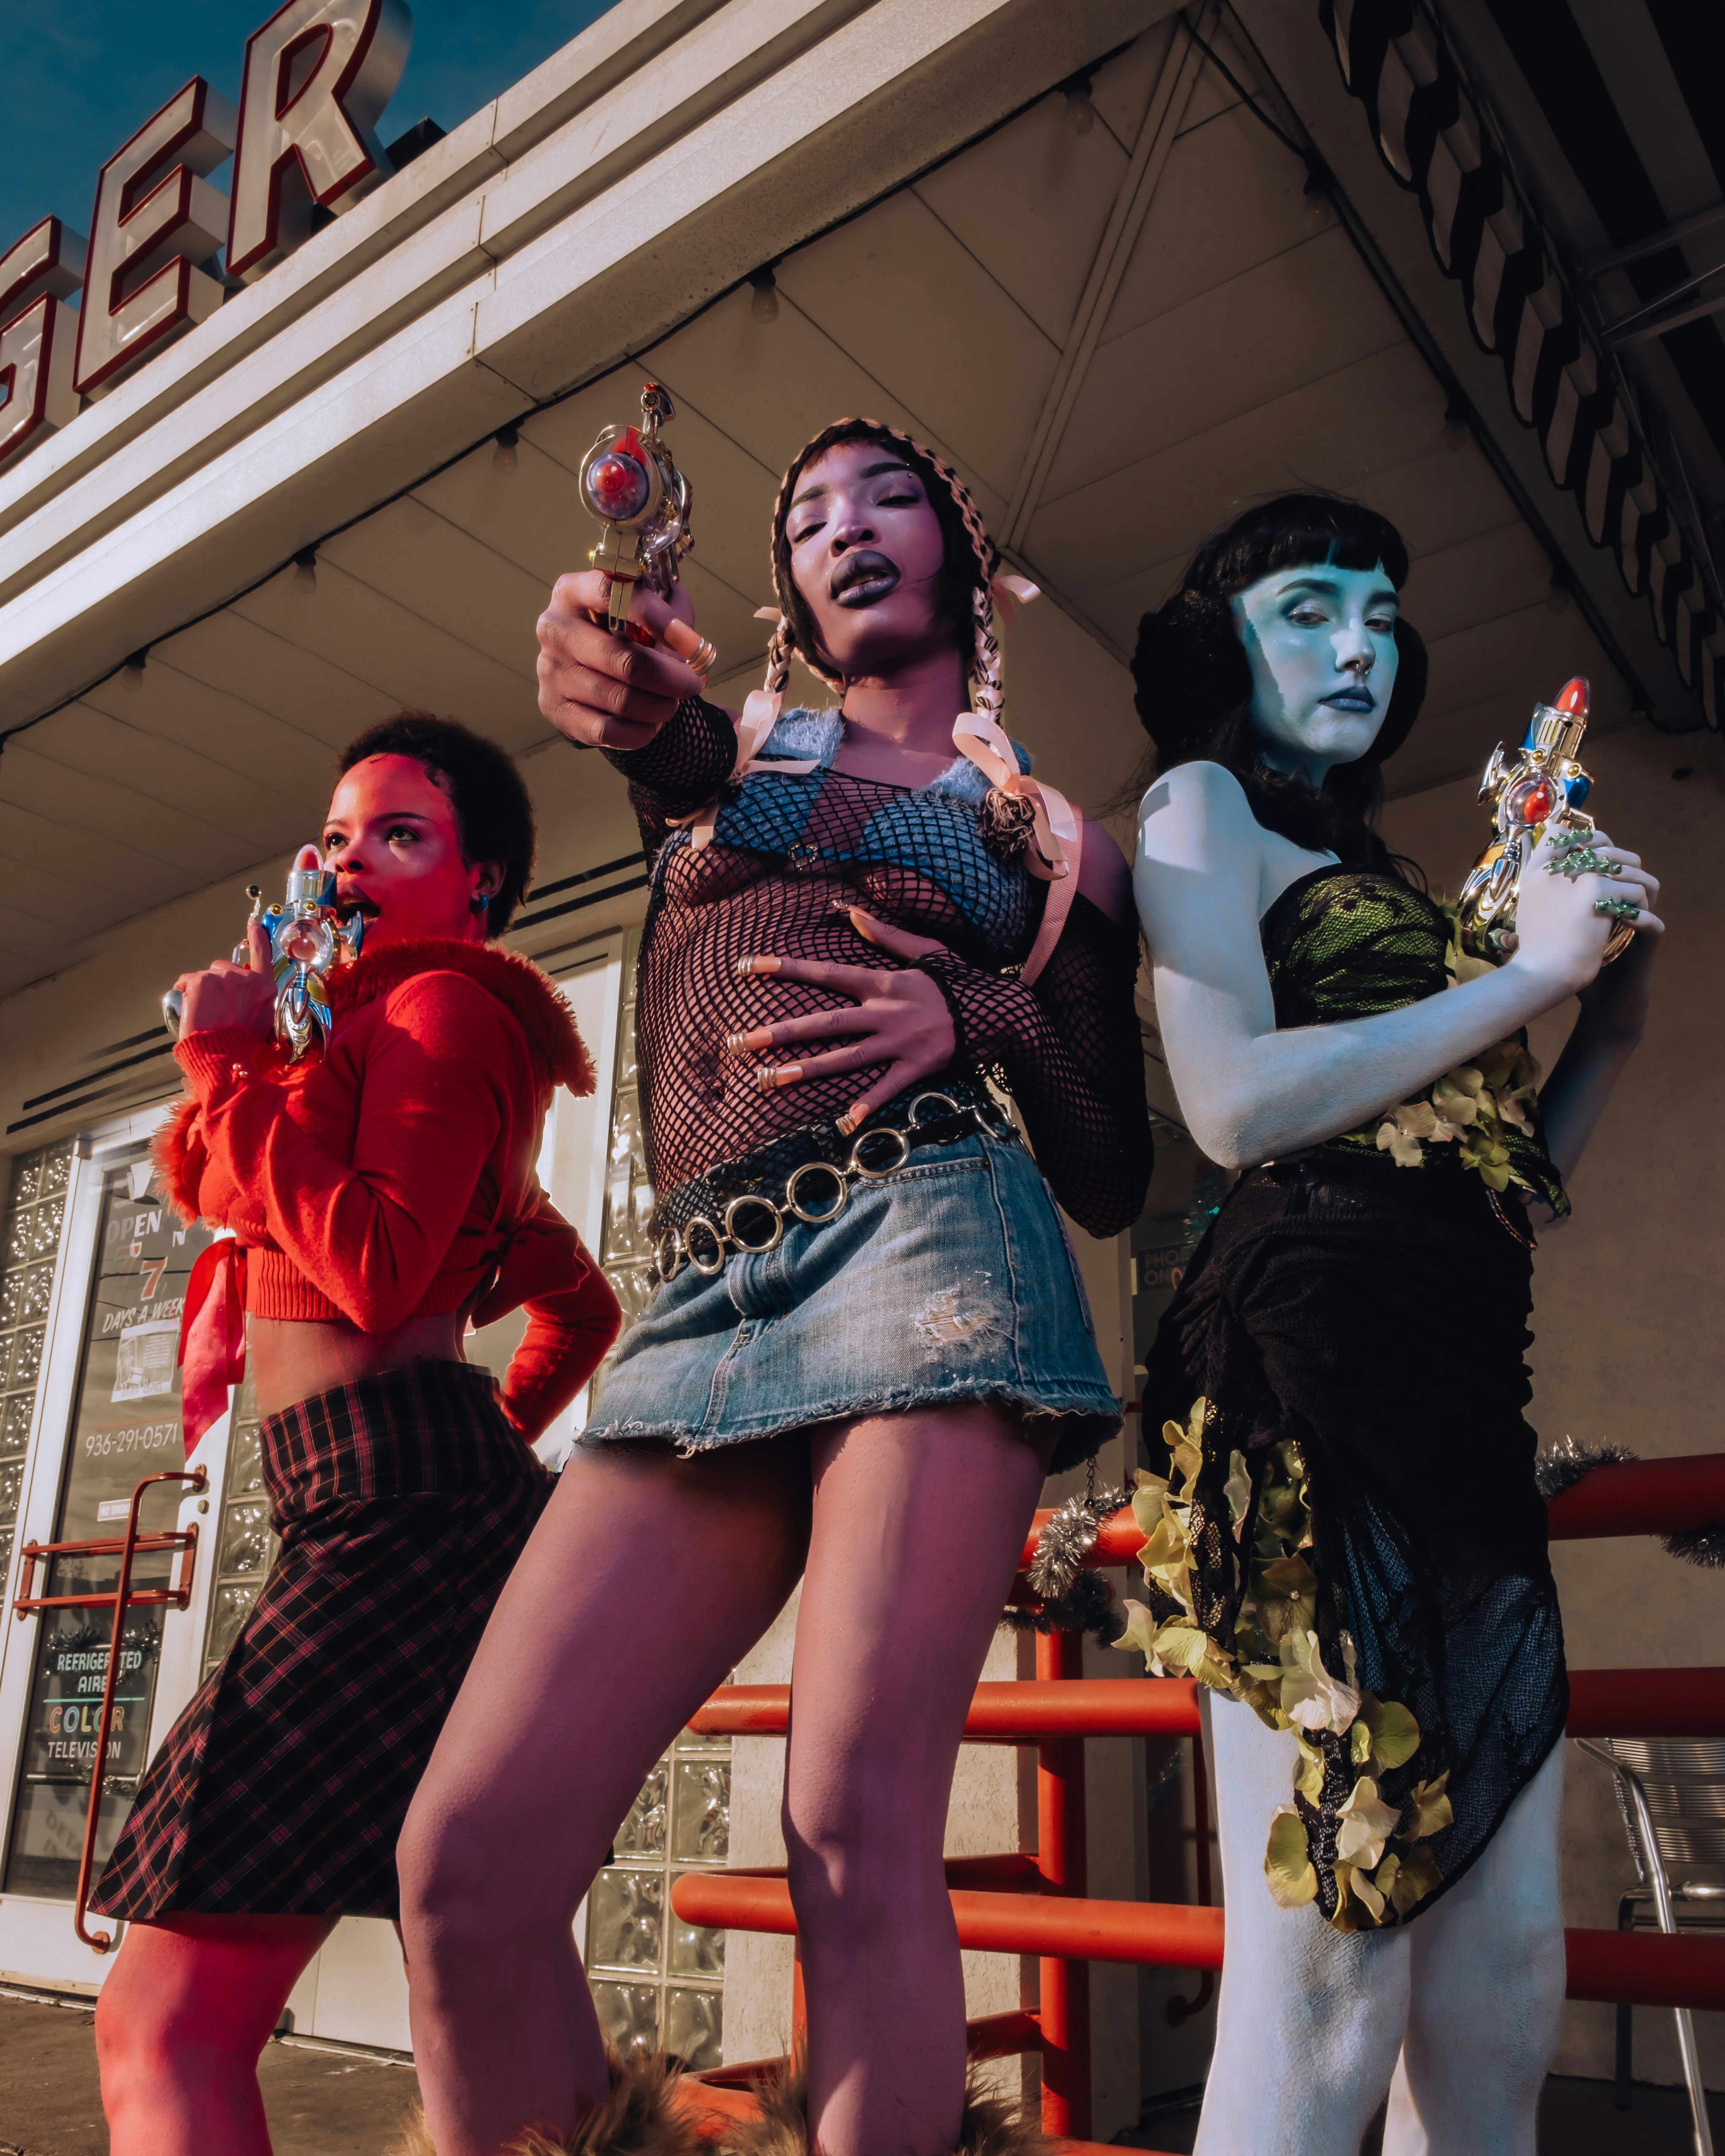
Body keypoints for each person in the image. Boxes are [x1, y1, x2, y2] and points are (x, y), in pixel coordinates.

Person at [395, 420, 1153, 2156]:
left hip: (930, 1238)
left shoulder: (1043, 829)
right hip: (704, 1297)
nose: (844, 528)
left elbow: (1112, 1161)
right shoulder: (736, 750)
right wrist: (605, 646)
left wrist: (977, 1012)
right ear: (788, 588)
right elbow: (653, 723)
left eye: (887, 496)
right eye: (807, 516)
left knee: (847, 1824)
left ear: (963, 556)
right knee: (463, 1862)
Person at [1125, 495, 1662, 2155]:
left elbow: (1492, 1189)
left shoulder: (1393, 877)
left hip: (1462, 1402)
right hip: (1300, 1393)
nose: (1356, 640)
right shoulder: (1197, 802)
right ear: (1226, 642)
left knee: (1500, 1987)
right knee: (1327, 1980)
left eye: (1376, 606)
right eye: (1306, 606)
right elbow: (1227, 1106)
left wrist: (1605, 1026)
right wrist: (1520, 981)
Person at [90, 714, 621, 2156]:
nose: (347, 860)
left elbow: (374, 1269)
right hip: (388, 1498)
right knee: (501, 1955)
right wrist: (479, 1448)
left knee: (162, 2020)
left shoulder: (443, 1012)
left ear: (482, 887)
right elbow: (579, 1308)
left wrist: (444, 1452)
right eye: (334, 835)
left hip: (391, 1506)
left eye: (399, 835)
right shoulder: (353, 1042)